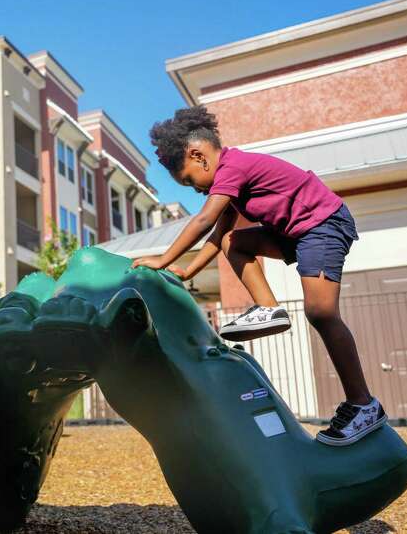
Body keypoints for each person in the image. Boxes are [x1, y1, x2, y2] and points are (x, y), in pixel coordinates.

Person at [132, 106, 384, 446]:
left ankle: (364, 405)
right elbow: (219, 233)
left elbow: (204, 220)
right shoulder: (230, 179)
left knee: (321, 312)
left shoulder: (233, 167)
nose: (194, 190)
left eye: (189, 180)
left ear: (199, 155)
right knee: (234, 241)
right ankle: (268, 306)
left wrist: (163, 258)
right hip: (296, 232)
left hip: (323, 223)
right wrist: (189, 269)